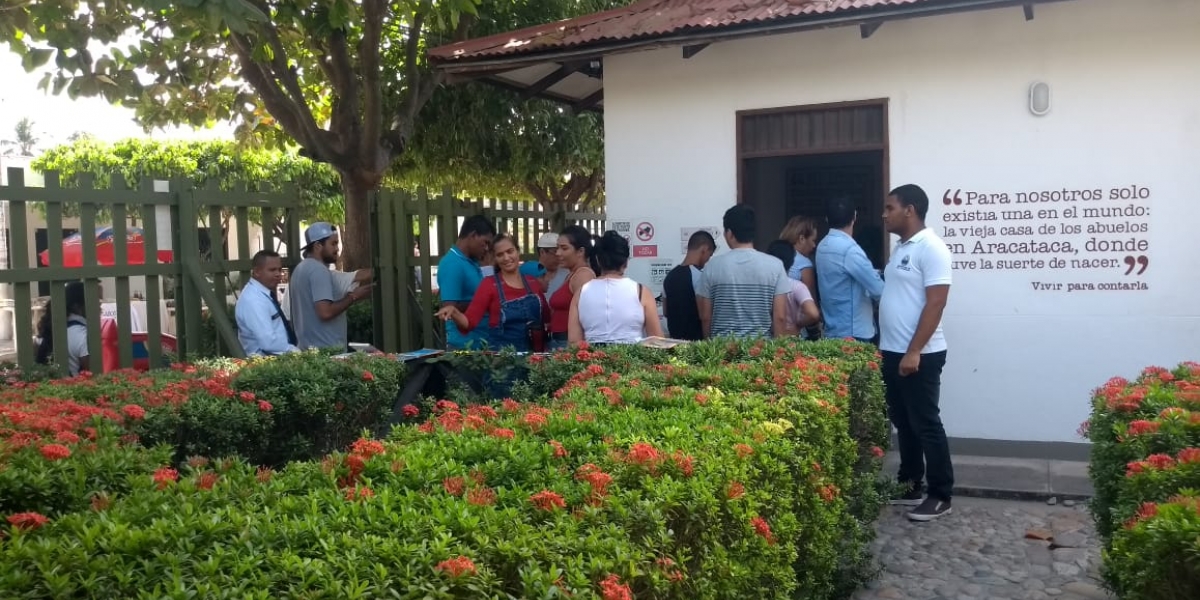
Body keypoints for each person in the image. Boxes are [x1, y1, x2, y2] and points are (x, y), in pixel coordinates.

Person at [879, 184, 955, 522]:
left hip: (919, 354)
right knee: (904, 422)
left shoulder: (931, 248)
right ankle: (909, 483)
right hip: (893, 352)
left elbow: (936, 302)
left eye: (889, 207)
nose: (884, 214)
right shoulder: (900, 248)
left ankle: (940, 494)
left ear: (909, 210)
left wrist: (914, 350)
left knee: (926, 423)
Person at [435, 234, 549, 352]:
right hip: (504, 361)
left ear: (518, 251)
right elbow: (469, 323)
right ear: (495, 258)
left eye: (510, 251)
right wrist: (454, 312)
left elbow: (547, 318)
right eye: (500, 255)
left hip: (535, 360)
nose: (506, 258)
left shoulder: (532, 283)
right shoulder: (489, 285)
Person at [696, 204, 792, 339]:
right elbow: (780, 317)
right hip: (760, 349)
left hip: (723, 350)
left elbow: (705, 317)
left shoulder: (712, 266)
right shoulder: (775, 266)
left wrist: (710, 346)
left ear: (729, 233)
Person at [289, 222, 374, 351]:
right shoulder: (318, 271)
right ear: (318, 246)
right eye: (333, 244)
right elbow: (325, 312)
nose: (337, 248)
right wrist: (354, 297)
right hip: (328, 353)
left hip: (309, 352)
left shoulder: (300, 269)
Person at [568, 231, 663, 345]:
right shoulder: (642, 292)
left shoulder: (581, 293)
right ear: (626, 262)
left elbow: (574, 342)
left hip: (593, 359)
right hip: (631, 360)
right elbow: (657, 341)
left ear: (598, 260)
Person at [815, 197, 884, 342]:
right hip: (854, 331)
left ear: (827, 219)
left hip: (832, 329)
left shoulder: (822, 246)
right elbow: (878, 289)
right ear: (855, 216)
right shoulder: (850, 250)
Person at [437, 215, 496, 350]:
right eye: (485, 242)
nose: (487, 248)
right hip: (464, 347)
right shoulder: (452, 264)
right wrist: (485, 302)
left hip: (481, 342)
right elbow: (450, 309)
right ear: (473, 235)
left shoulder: (472, 262)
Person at [235, 250, 299, 356]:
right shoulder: (253, 300)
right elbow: (268, 342)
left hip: (277, 359)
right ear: (256, 272)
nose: (278, 274)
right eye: (272, 270)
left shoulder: (261, 294)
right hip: (266, 364)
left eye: (279, 269)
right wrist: (296, 351)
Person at [547, 225, 596, 350]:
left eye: (564, 248)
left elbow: (587, 318)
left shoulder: (583, 276)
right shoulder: (572, 275)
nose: (558, 253)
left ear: (580, 251)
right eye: (557, 248)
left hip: (568, 345)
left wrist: (574, 350)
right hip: (559, 342)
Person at [662, 230, 716, 340]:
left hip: (675, 343)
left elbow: (665, 312)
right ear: (704, 249)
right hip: (696, 345)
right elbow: (705, 316)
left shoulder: (669, 277)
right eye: (709, 255)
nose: (707, 260)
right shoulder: (700, 276)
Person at [765, 240, 821, 336]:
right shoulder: (797, 286)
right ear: (792, 261)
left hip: (769, 337)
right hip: (794, 337)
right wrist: (798, 323)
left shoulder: (765, 286)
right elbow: (813, 313)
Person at [35, 281, 89, 375]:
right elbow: (94, 374)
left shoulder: (51, 328)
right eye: (98, 300)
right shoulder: (82, 334)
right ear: (77, 306)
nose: (100, 305)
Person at [779, 216, 819, 297]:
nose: (814, 245)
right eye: (813, 240)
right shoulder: (804, 263)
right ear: (802, 239)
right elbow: (810, 300)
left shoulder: (775, 254)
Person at [520, 232, 569, 297]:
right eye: (555, 252)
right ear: (542, 252)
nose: (559, 255)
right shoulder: (528, 273)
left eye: (562, 251)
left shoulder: (567, 274)